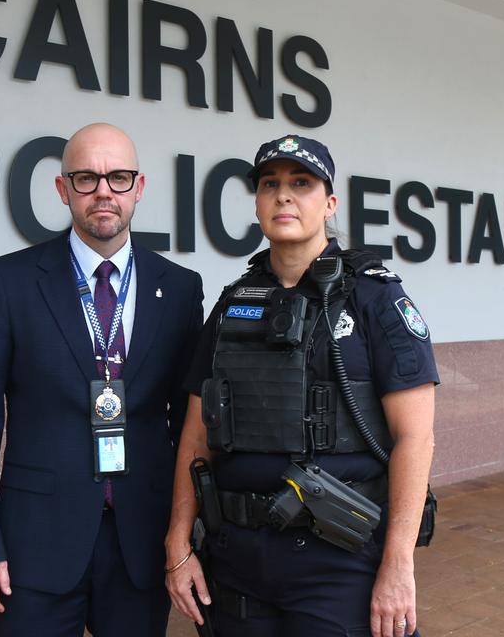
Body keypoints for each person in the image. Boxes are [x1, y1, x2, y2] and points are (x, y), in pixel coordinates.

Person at [164, 135, 438, 637]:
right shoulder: (232, 304)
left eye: (302, 184)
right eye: (270, 184)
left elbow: (415, 439)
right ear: (257, 202)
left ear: (329, 203)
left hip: (338, 561)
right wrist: (178, 544)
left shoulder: (376, 300)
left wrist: (399, 564)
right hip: (238, 559)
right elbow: (195, 436)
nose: (284, 196)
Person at [0, 123, 204, 636]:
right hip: (35, 545)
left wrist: (187, 535)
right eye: (86, 178)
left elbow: (191, 423)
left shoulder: (178, 288)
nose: (104, 191)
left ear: (140, 188)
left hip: (141, 540)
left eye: (118, 177)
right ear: (63, 190)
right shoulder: (9, 282)